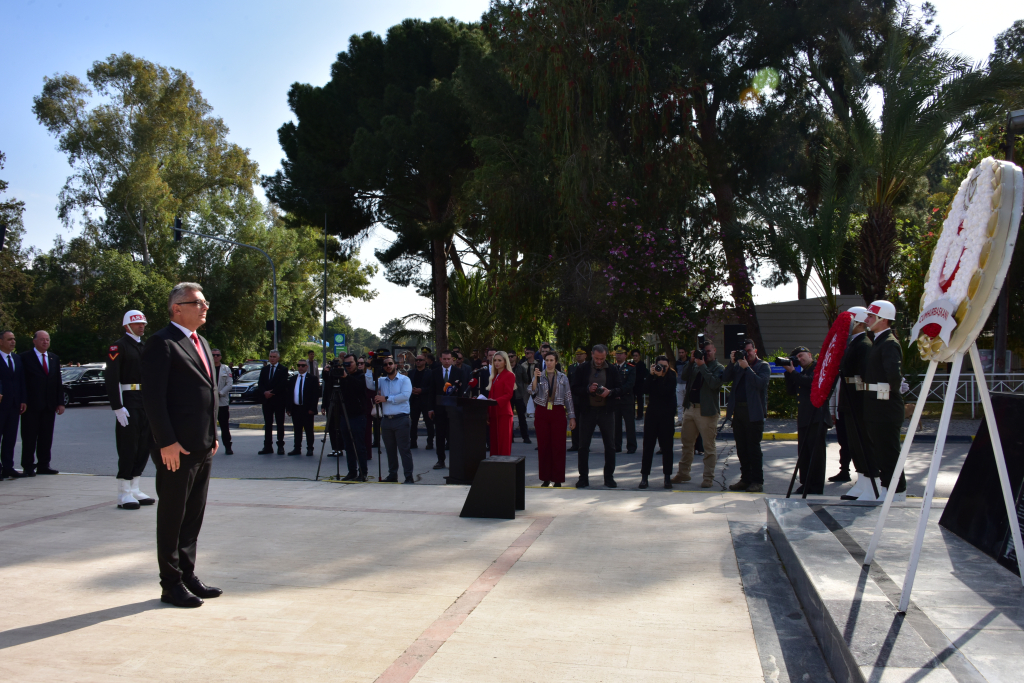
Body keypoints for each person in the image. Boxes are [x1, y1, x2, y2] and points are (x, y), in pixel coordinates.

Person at [141, 282, 222, 608]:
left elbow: (208, 394)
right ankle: (170, 584)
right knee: (173, 516)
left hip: (202, 444)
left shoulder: (200, 341)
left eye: (205, 302)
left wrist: (213, 433)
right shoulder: (161, 343)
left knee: (193, 516)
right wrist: (167, 442)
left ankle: (187, 575)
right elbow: (153, 399)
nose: (205, 308)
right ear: (177, 308)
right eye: (197, 303)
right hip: (176, 448)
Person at [105, 311, 156, 507]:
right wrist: (117, 407)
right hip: (128, 400)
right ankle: (123, 492)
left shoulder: (145, 346)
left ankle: (135, 488)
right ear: (127, 326)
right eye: (137, 324)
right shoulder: (118, 346)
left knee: (144, 445)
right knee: (128, 446)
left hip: (144, 400)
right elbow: (111, 378)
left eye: (143, 323)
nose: (141, 326)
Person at [862, 300, 905, 501]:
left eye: (871, 316)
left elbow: (893, 376)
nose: (867, 319)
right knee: (881, 451)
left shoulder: (888, 342)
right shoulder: (879, 341)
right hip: (877, 408)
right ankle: (888, 487)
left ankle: (897, 491)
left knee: (889, 452)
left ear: (883, 319)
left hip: (885, 408)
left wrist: (889, 392)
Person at [830, 307, 875, 498]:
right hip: (848, 403)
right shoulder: (853, 344)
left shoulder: (863, 345)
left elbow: (862, 377)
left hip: (856, 403)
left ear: (858, 322)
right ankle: (863, 482)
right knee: (855, 447)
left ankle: (870, 484)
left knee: (863, 446)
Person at [569, 344, 623, 488]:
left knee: (610, 446)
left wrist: (609, 392)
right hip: (588, 411)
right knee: (583, 446)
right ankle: (583, 478)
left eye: (602, 358)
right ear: (592, 354)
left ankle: (609, 477)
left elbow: (620, 388)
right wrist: (587, 389)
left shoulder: (612, 369)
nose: (599, 361)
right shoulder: (583, 368)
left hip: (606, 411)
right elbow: (574, 388)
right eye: (597, 358)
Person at [672, 341, 723, 488]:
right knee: (686, 444)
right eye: (703, 351)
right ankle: (683, 473)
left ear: (714, 350)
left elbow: (714, 384)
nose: (706, 354)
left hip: (706, 411)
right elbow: (685, 376)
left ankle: (708, 477)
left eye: (708, 351)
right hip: (690, 408)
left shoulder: (718, 368)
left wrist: (702, 366)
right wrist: (691, 361)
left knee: (708, 446)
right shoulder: (695, 364)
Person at [723, 339, 771, 493]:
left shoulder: (762, 366)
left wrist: (747, 369)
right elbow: (724, 378)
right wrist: (732, 362)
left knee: (753, 449)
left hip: (754, 412)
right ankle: (745, 479)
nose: (747, 354)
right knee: (741, 449)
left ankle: (757, 481)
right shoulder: (738, 366)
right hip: (739, 412)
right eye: (744, 351)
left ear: (755, 351)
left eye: (749, 351)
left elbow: (760, 384)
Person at [784, 346, 832, 495]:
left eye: (801, 355)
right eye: (796, 357)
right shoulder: (802, 372)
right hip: (806, 418)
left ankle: (816, 486)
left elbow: (811, 383)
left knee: (816, 454)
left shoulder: (818, 367)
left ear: (810, 355)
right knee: (804, 453)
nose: (799, 359)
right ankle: (806, 483)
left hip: (817, 417)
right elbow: (791, 391)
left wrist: (793, 372)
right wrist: (788, 373)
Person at [20, 330, 65, 476]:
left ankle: (44, 465)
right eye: (42, 339)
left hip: (49, 405)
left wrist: (60, 402)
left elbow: (57, 381)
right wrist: (23, 400)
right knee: (29, 436)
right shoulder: (25, 358)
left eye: (47, 339)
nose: (45, 342)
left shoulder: (54, 358)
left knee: (46, 436)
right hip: (31, 405)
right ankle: (28, 466)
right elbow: (22, 382)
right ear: (34, 341)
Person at [529, 351, 575, 486]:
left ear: (556, 362)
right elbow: (531, 391)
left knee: (558, 445)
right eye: (547, 360)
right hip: (542, 411)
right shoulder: (539, 375)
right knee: (544, 445)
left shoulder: (562, 377)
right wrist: (535, 378)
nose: (549, 363)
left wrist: (572, 416)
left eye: (551, 360)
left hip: (558, 410)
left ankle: (558, 479)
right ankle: (545, 478)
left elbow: (568, 397)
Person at [323, 355, 371, 481]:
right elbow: (329, 386)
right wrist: (327, 373)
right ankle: (352, 471)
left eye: (350, 363)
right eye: (346, 364)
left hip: (358, 415)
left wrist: (346, 377)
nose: (348, 366)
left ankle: (363, 473)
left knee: (359, 446)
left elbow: (359, 388)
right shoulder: (340, 376)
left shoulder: (361, 376)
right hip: (344, 415)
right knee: (348, 446)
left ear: (356, 363)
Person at [374, 355, 414, 483]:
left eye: (390, 363)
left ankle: (408, 476)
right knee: (390, 450)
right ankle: (393, 475)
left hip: (401, 419)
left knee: (404, 450)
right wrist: (370, 368)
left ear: (395, 365)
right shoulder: (381, 380)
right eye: (385, 364)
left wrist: (386, 398)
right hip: (386, 420)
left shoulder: (404, 379)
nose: (388, 366)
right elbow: (369, 384)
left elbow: (405, 396)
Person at [640, 356, 676, 489]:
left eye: (665, 366)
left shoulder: (672, 376)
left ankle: (667, 477)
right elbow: (644, 390)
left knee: (667, 448)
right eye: (660, 366)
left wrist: (660, 377)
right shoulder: (652, 376)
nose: (662, 369)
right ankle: (644, 477)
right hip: (652, 415)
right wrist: (651, 375)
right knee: (648, 447)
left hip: (666, 416)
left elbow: (665, 392)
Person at [0, 331, 27, 480]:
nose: (13, 342)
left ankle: (8, 468)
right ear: (0, 342)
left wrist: (23, 400)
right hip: (1, 404)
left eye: (14, 339)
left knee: (10, 438)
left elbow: (21, 381)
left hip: (14, 404)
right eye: (9, 339)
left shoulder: (17, 358)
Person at [257, 350, 289, 455]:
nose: (272, 358)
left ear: (278, 358)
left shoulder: (283, 369)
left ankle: (280, 446)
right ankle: (267, 446)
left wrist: (272, 392)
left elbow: (283, 384)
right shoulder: (265, 369)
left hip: (278, 400)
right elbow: (260, 383)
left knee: (280, 424)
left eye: (274, 356)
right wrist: (264, 392)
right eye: (270, 356)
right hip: (266, 401)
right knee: (268, 424)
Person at [286, 359, 320, 456]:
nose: (300, 367)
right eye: (299, 365)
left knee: (309, 430)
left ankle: (310, 448)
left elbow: (315, 395)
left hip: (307, 409)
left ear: (307, 367)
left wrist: (313, 408)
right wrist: (288, 408)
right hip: (296, 408)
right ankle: (297, 448)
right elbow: (289, 395)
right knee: (297, 430)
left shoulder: (312, 379)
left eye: (303, 365)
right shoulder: (293, 379)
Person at [486, 351, 515, 456]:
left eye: (499, 360)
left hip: (504, 413)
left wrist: (496, 402)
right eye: (495, 360)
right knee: (494, 443)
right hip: (493, 413)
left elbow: (508, 394)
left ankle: (504, 468)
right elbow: (490, 394)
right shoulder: (494, 376)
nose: (496, 363)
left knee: (503, 444)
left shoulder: (509, 375)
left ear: (505, 362)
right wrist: (487, 412)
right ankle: (494, 468)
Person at [612, 345, 637, 453]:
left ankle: (631, 446)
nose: (618, 355)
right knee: (616, 425)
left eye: (621, 353)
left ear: (625, 355)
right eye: (617, 353)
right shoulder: (612, 367)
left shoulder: (631, 367)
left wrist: (619, 392)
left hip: (627, 400)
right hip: (615, 400)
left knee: (629, 424)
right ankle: (617, 446)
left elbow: (630, 384)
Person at [408, 354, 434, 450]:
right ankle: (413, 442)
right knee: (413, 423)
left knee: (429, 423)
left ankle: (430, 442)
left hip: (425, 401)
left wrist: (421, 390)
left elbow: (432, 387)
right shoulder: (411, 373)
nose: (418, 361)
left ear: (425, 361)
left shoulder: (430, 373)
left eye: (420, 360)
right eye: (416, 360)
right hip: (414, 401)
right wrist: (412, 390)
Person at [513, 348, 538, 444]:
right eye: (525, 353)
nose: (526, 355)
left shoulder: (537, 363)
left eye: (528, 353)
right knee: (522, 410)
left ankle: (532, 429)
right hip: (524, 389)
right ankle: (514, 435)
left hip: (535, 386)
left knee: (537, 405)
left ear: (532, 354)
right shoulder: (523, 365)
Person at [212, 349, 233, 455]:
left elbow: (229, 384)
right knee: (209, 426)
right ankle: (209, 447)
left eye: (217, 355)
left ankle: (228, 446)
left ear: (220, 356)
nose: (215, 356)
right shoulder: (206, 367)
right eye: (213, 355)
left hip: (222, 402)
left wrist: (220, 393)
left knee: (224, 426)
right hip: (209, 402)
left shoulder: (226, 369)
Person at [632, 349, 648, 420]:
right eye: (634, 356)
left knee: (640, 400)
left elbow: (643, 375)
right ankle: (631, 414)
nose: (635, 357)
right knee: (631, 400)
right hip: (632, 385)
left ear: (639, 356)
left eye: (636, 356)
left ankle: (640, 415)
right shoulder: (631, 364)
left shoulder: (642, 365)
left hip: (639, 384)